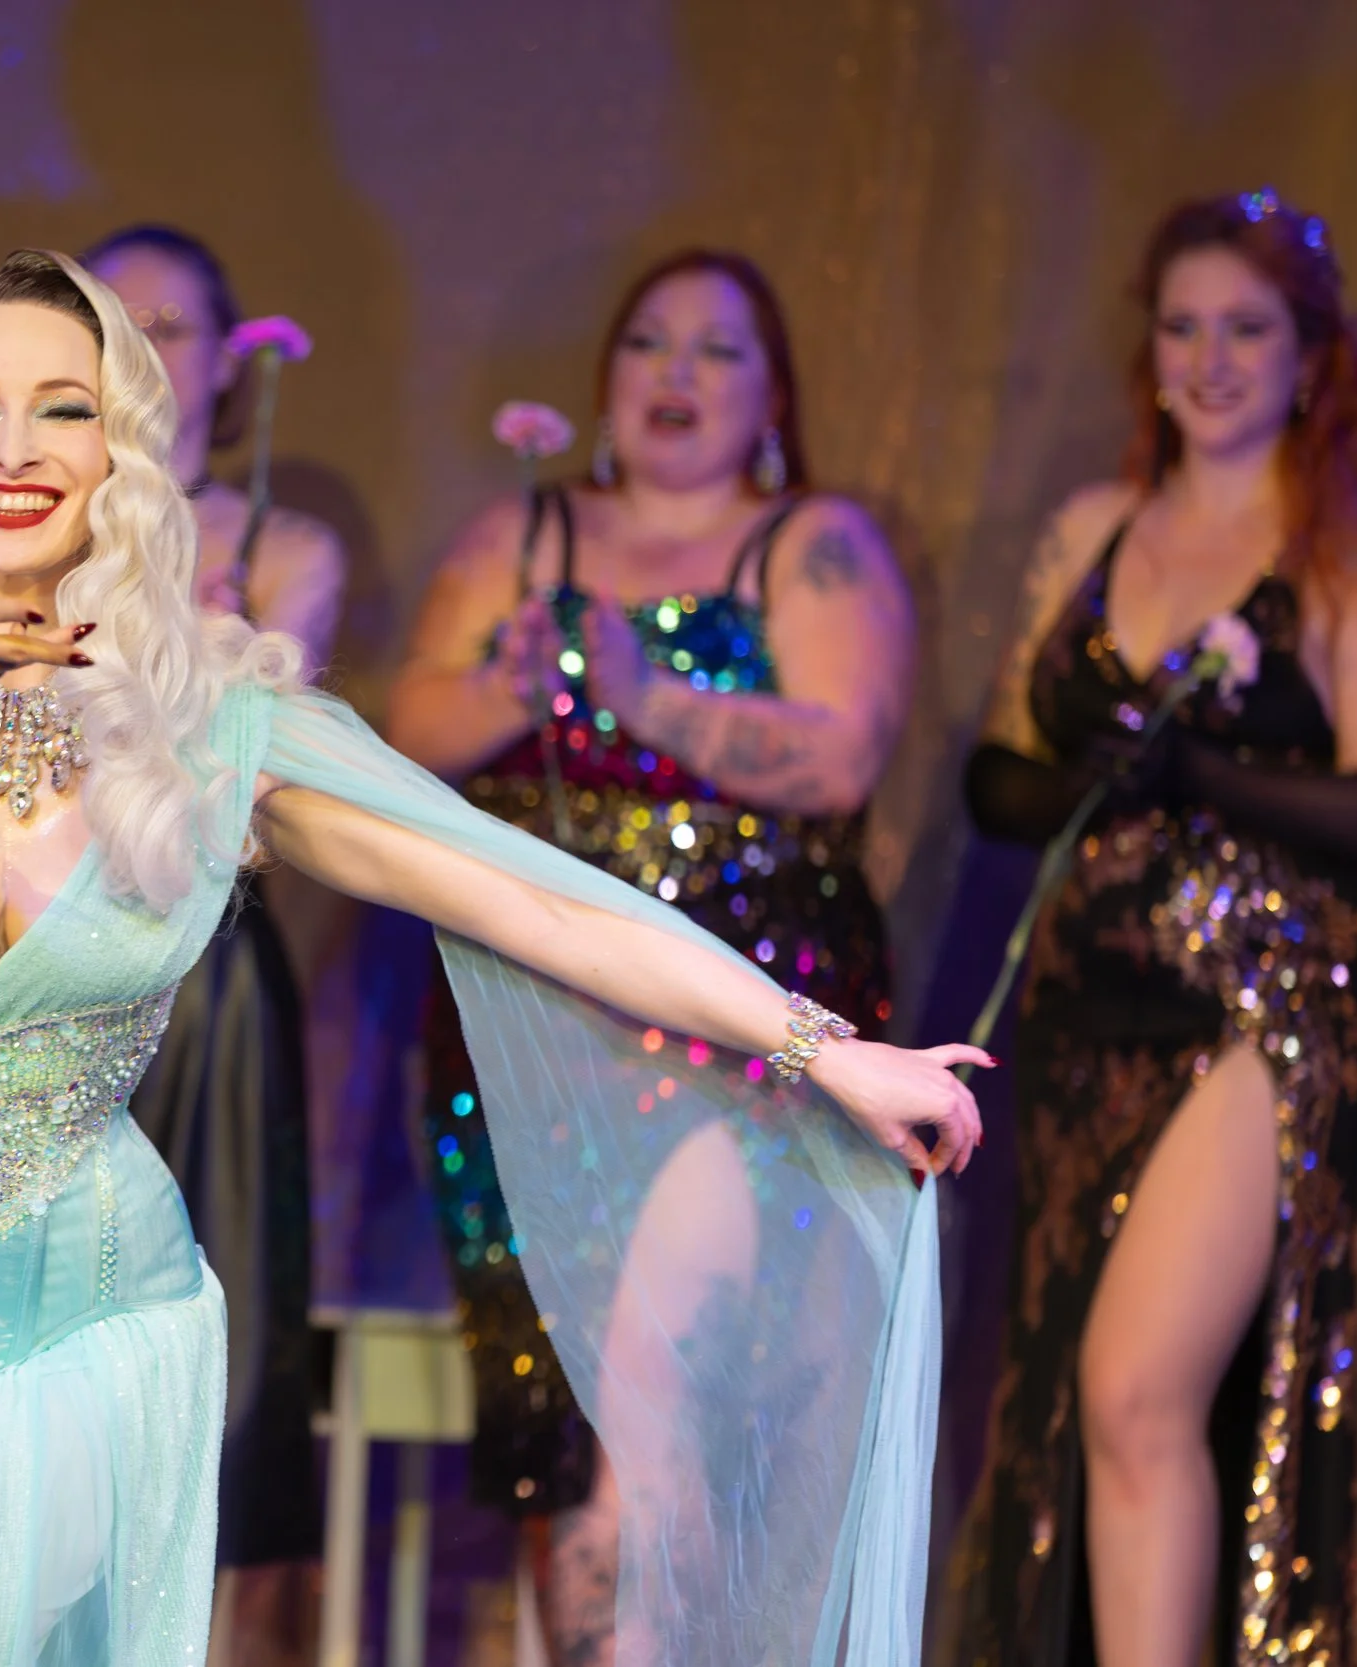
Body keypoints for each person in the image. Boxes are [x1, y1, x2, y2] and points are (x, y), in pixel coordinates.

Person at [0, 248, 982, 1667]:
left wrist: (823, 1047)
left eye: (61, 408)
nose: (13, 444)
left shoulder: (209, 730)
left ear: (121, 452)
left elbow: (539, 903)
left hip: (88, 1350)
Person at [385, 248, 915, 1661]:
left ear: (775, 394)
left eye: (719, 351)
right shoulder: (524, 538)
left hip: (739, 1041)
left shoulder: (807, 543)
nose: (678, 374)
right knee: (561, 1412)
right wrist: (507, 679)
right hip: (532, 1032)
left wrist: (647, 694)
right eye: (651, 344)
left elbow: (845, 750)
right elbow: (401, 737)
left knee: (677, 1398)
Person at [947, 190, 1357, 1667]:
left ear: (1309, 353)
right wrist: (1087, 780)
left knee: (1136, 1383)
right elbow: (999, 765)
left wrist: (1205, 776)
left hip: (1259, 1008)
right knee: (1072, 1401)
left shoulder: (1353, 556)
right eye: (1183, 326)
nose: (1212, 358)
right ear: (1146, 346)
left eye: (1248, 328)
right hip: (1093, 1008)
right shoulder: (1092, 530)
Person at [83, 225, 344, 1629]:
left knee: (215, 1372)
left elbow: (263, 762)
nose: (135, 343)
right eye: (104, 315)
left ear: (224, 370)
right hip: (38, 979)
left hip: (204, 990)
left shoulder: (279, 548)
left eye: (169, 326)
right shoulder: (4, 530)